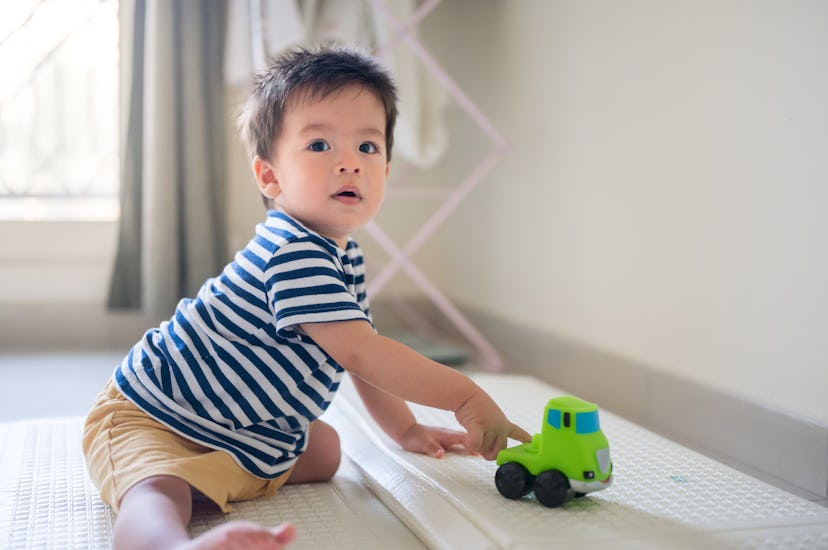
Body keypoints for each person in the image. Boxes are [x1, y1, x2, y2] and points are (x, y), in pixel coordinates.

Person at [83, 45, 531, 550]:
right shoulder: (292, 251)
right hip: (156, 416)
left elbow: (362, 352)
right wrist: (465, 396)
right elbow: (363, 353)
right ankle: (170, 542)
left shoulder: (344, 256)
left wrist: (405, 430)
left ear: (385, 170)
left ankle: (209, 478)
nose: (349, 164)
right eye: (320, 146)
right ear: (270, 176)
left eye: (368, 148)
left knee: (325, 450)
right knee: (157, 491)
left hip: (241, 427)